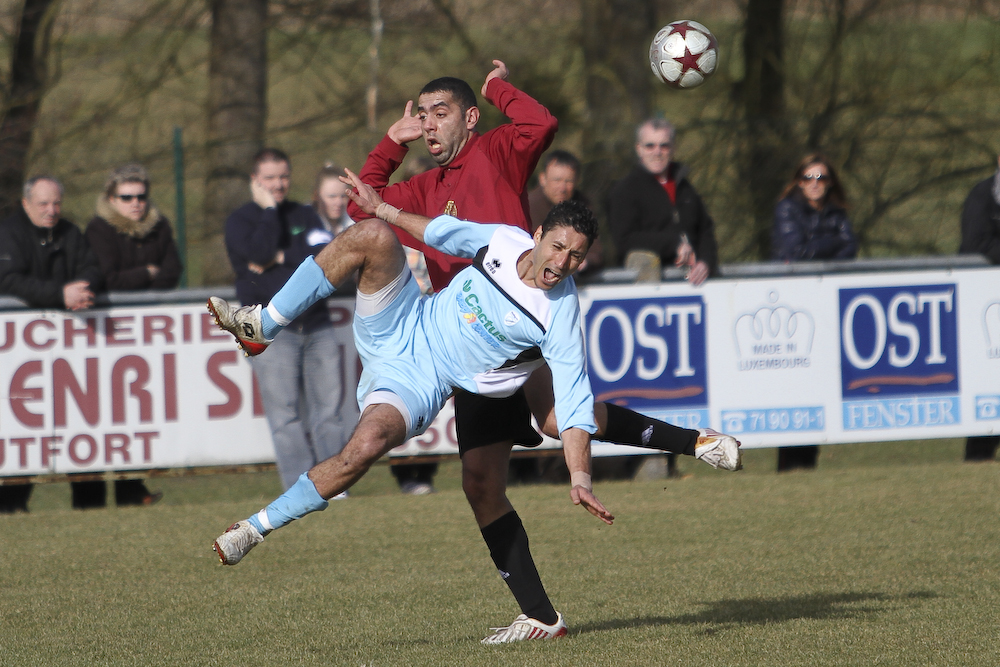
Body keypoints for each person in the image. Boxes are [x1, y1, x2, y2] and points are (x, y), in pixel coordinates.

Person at [207, 175, 741, 642]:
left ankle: (254, 528)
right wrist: (383, 207)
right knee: (370, 236)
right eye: (557, 247)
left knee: (372, 451)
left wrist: (580, 476)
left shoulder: (558, 316)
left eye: (576, 256)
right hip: (401, 322)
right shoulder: (504, 242)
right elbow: (439, 232)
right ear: (537, 235)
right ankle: (262, 325)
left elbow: (577, 402)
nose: (562, 263)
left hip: (425, 381)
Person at [343, 62, 735, 640]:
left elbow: (542, 120)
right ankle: (695, 445)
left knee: (555, 422)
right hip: (470, 342)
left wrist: (499, 85)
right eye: (420, 117)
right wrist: (389, 144)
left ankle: (542, 614)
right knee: (496, 471)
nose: (428, 125)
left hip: (521, 325)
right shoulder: (423, 187)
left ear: (470, 119)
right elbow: (362, 209)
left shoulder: (497, 151)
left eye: (440, 113)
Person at [223, 149, 355, 493]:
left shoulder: (305, 214)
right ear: (255, 181)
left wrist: (283, 257)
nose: (278, 184)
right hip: (269, 331)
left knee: (330, 412)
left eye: (283, 176)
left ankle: (335, 486)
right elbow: (258, 254)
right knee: (286, 417)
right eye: (269, 178)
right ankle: (300, 491)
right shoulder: (239, 221)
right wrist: (269, 213)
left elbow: (326, 258)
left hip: (317, 325)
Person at [0, 176, 104, 511]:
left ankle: (90, 507)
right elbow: (8, 280)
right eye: (44, 204)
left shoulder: (71, 233)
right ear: (26, 203)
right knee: (23, 432)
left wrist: (84, 288)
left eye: (56, 203)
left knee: (84, 426)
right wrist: (60, 296)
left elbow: (91, 267)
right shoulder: (9, 234)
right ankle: (12, 507)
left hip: (72, 352)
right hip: (20, 357)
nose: (52, 210)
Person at [85, 163, 183, 505]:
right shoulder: (99, 230)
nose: (136, 203)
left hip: (145, 336)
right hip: (105, 334)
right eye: (126, 197)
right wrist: (148, 271)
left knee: (137, 414)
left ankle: (131, 490)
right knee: (99, 415)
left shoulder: (159, 226)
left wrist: (143, 275)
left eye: (141, 196)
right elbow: (107, 277)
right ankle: (89, 498)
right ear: (111, 199)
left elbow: (173, 272)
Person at [772, 154, 858, 471]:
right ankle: (790, 463)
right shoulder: (787, 209)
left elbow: (851, 247)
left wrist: (820, 245)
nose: (815, 184)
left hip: (822, 309)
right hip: (792, 308)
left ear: (831, 182)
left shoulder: (837, 212)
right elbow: (796, 251)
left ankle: (806, 463)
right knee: (795, 387)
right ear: (798, 182)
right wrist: (831, 245)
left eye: (821, 178)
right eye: (808, 178)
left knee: (819, 384)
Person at [607, 117, 719, 287]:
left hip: (694, 286)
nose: (657, 152)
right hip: (648, 289)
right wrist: (674, 243)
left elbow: (705, 229)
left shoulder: (685, 187)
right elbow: (625, 240)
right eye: (650, 145)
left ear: (673, 148)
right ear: (639, 149)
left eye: (664, 145)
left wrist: (706, 262)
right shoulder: (625, 190)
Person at [959, 155, 1000, 461]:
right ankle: (979, 456)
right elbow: (975, 247)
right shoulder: (983, 195)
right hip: (986, 301)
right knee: (988, 382)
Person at [527, 149, 603, 275]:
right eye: (557, 180)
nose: (562, 188)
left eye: (568, 181)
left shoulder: (584, 206)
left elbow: (596, 252)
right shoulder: (529, 207)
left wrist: (584, 262)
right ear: (542, 179)